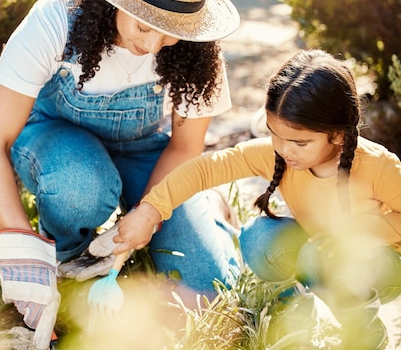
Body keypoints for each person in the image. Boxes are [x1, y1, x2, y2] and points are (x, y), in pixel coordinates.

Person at [0, 0, 240, 347]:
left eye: (170, 33)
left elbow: (184, 147)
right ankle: (64, 261)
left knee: (207, 291)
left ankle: (214, 212)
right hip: (54, 140)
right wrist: (22, 251)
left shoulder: (200, 53)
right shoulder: (55, 20)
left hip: (141, 148)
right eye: (144, 26)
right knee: (82, 185)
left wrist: (150, 213)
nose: (151, 46)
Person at [119, 49, 401, 349]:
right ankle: (294, 325)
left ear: (338, 135)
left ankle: (364, 334)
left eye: (299, 142)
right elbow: (205, 169)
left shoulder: (376, 165)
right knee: (259, 238)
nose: (285, 150)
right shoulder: (279, 154)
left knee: (317, 256)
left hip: (379, 268)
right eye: (275, 135)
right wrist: (151, 209)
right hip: (321, 251)